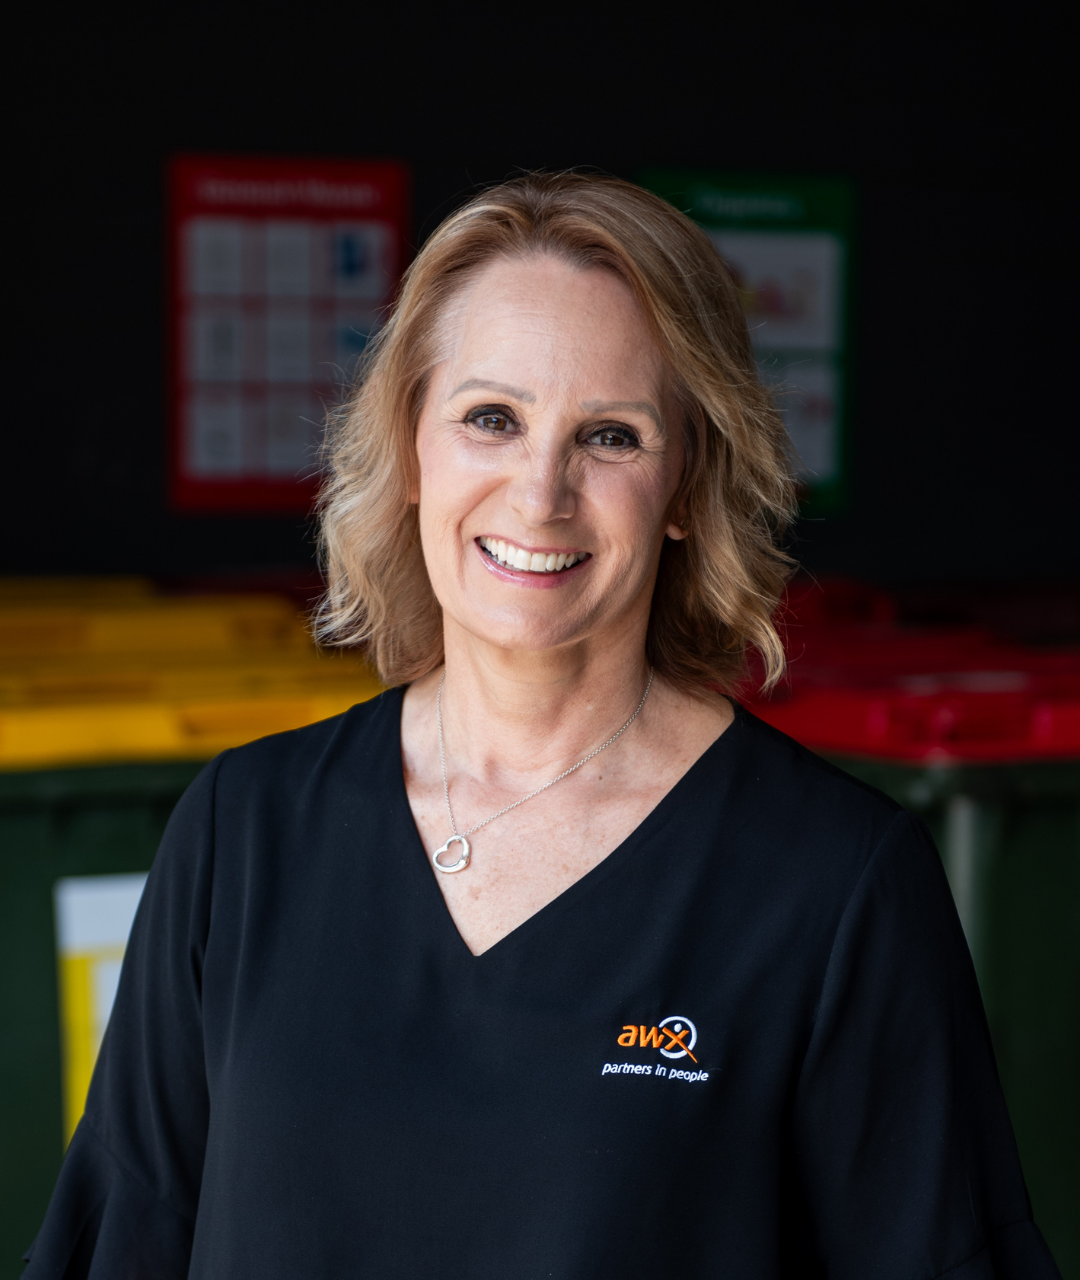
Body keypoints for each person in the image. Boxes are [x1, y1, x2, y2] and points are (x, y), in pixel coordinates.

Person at [24, 173, 1060, 1279]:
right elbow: (119, 1244)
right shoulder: (242, 834)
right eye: (491, 418)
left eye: (610, 435)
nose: (540, 492)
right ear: (413, 442)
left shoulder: (835, 885)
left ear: (684, 485)